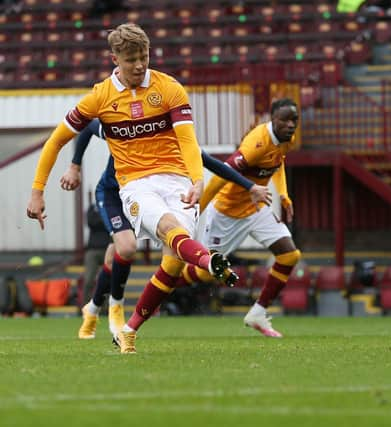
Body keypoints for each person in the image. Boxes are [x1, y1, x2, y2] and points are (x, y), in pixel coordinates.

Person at [27, 23, 237, 354]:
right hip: (135, 185)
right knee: (163, 232)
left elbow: (187, 141)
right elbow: (56, 140)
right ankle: (209, 260)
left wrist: (197, 180)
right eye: (131, 60)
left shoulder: (169, 89)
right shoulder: (100, 97)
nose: (139, 65)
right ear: (115, 59)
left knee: (173, 262)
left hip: (178, 179)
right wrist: (38, 190)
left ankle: (128, 329)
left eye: (144, 57)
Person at [60, 119, 271, 340]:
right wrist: (74, 166)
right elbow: (88, 127)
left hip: (146, 199)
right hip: (114, 194)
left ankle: (94, 309)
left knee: (133, 253)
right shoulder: (127, 129)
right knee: (127, 247)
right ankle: (115, 308)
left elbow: (213, 165)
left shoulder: (177, 141)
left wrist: (251, 186)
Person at [194, 98, 302, 338]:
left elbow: (278, 162)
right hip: (226, 213)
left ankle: (258, 313)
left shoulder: (285, 139)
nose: (291, 125)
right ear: (272, 119)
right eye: (285, 120)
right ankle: (166, 280)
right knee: (204, 273)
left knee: (290, 255)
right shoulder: (257, 143)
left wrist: (283, 194)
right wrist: (195, 211)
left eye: (294, 120)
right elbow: (220, 177)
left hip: (255, 209)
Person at [82, 201, 112, 308]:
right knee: (88, 280)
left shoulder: (112, 204)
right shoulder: (93, 207)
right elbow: (91, 222)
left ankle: (106, 308)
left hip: (108, 249)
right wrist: (105, 219)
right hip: (93, 250)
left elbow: (113, 223)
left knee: (108, 280)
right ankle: (85, 307)